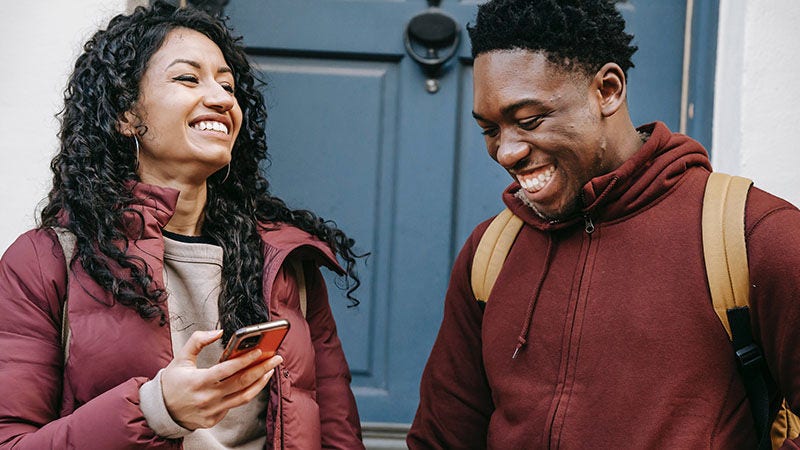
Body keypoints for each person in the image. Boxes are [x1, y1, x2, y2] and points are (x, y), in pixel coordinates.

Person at [407, 0, 800, 448]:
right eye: (490, 130)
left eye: (530, 120)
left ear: (608, 90)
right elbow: (441, 438)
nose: (506, 152)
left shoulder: (753, 234)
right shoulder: (491, 250)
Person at [0, 2, 365, 449]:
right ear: (126, 115)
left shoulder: (285, 262)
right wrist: (156, 409)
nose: (220, 98)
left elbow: (338, 437)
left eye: (227, 85)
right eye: (188, 78)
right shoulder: (46, 261)